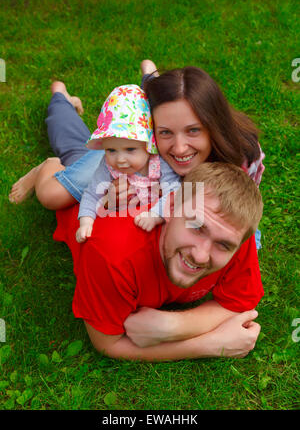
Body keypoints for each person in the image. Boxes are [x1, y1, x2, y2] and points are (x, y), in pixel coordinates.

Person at [9, 61, 264, 241]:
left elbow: (240, 210)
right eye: (165, 132)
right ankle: (50, 160)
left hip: (137, 154)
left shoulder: (242, 155)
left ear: (213, 125)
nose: (180, 147)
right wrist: (107, 201)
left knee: (78, 150)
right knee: (54, 192)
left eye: (194, 131)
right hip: (132, 154)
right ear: (153, 131)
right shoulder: (135, 146)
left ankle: (148, 77)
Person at [53, 161, 264, 361]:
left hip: (137, 177)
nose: (201, 255)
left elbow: (239, 303)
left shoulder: (231, 229)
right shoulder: (111, 253)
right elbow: (108, 343)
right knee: (64, 171)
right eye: (197, 227)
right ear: (170, 208)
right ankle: (47, 166)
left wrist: (173, 326)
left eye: (223, 245)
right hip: (81, 199)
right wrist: (209, 345)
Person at [76, 84, 180, 243]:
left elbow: (174, 190)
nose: (120, 159)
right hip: (126, 223)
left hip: (150, 218)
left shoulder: (158, 162)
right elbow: (91, 193)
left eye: (130, 149)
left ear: (148, 145)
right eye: (111, 150)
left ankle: (151, 79)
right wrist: (86, 222)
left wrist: (155, 215)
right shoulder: (107, 166)